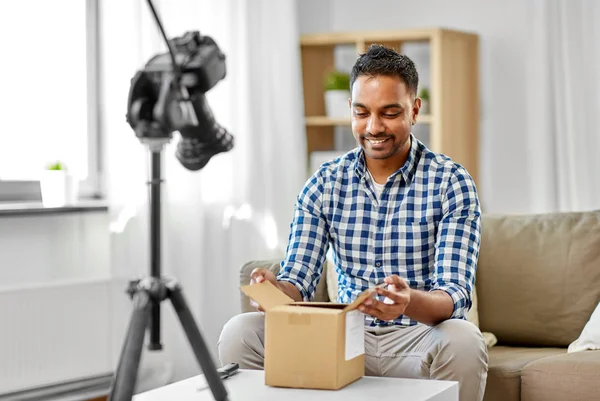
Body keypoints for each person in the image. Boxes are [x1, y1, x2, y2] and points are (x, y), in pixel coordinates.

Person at [218, 44, 488, 401]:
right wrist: (273, 291)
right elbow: (297, 281)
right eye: (362, 113)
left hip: (416, 339)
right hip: (340, 338)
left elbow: (453, 297)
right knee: (241, 331)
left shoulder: (451, 182)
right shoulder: (325, 182)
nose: (374, 127)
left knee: (464, 340)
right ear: (350, 110)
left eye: (389, 113)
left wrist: (406, 302)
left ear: (415, 109)